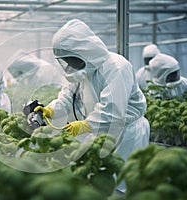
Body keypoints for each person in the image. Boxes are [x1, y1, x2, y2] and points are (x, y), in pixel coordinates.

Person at [34, 19, 150, 179]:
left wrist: (85, 125)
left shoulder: (116, 67)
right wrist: (52, 109)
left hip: (127, 132)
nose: (69, 64)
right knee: (101, 178)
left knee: (125, 179)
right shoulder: (83, 69)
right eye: (65, 61)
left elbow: (113, 111)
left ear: (84, 52)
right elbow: (68, 95)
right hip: (101, 129)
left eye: (70, 59)